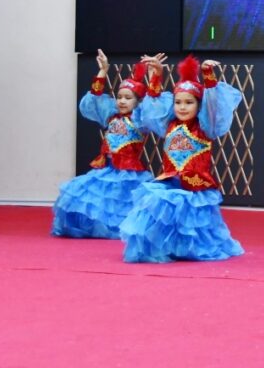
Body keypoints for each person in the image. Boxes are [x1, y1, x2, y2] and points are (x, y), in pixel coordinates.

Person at [119, 54, 245, 263]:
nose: (182, 107)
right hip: (170, 182)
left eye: (189, 102)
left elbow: (213, 105)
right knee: (155, 203)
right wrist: (157, 75)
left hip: (195, 187)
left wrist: (208, 74)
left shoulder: (205, 127)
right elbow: (153, 107)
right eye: (178, 102)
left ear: (199, 106)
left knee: (192, 226)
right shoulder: (168, 124)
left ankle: (189, 249)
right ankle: (164, 247)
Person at [51, 50, 154, 239]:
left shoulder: (140, 120)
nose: (122, 101)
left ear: (138, 102)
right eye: (120, 97)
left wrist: (154, 75)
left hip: (128, 173)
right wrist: (103, 71)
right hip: (106, 169)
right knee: (79, 195)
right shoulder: (111, 115)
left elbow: (153, 106)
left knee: (120, 203)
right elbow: (93, 100)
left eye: (128, 98)